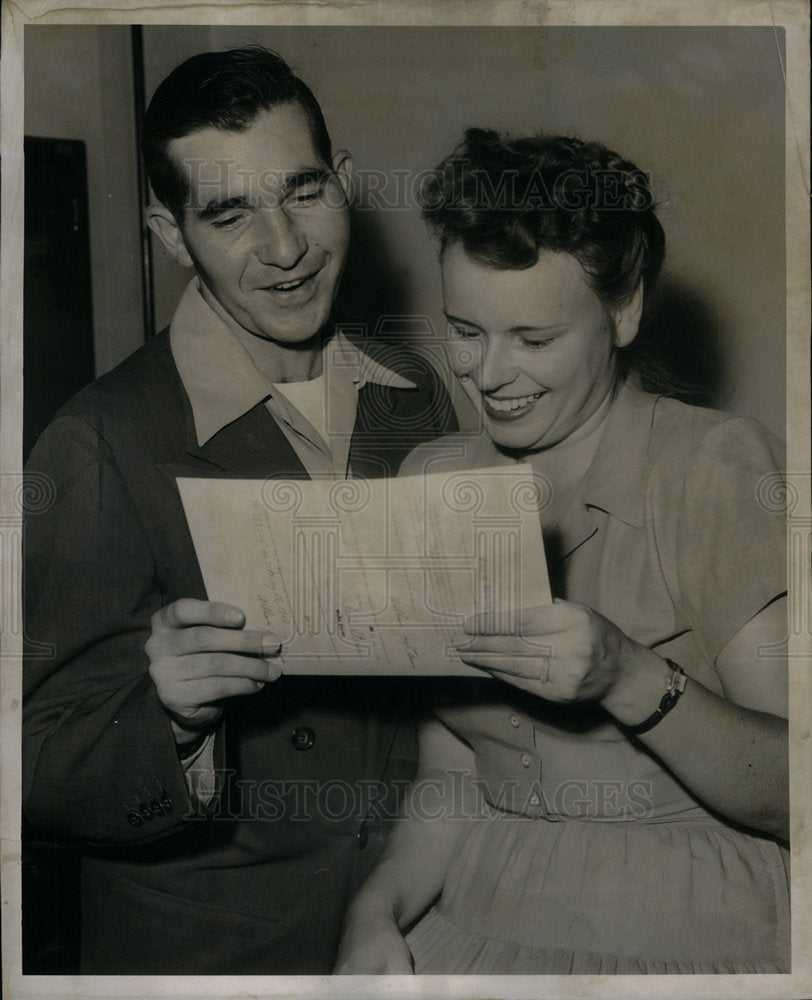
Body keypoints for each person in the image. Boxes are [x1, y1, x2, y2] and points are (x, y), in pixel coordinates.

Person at [22, 47, 454, 974]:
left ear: (344, 184)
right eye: (228, 213)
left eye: (303, 191)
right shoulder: (99, 440)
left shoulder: (413, 392)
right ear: (171, 234)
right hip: (215, 954)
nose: (286, 247)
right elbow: (32, 769)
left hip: (412, 923)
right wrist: (167, 721)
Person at [335, 128, 789, 974]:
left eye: (534, 340)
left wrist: (629, 675)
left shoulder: (717, 468)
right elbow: (455, 774)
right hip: (476, 913)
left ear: (624, 311)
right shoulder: (438, 474)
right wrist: (375, 912)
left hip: (683, 930)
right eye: (466, 331)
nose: (489, 375)